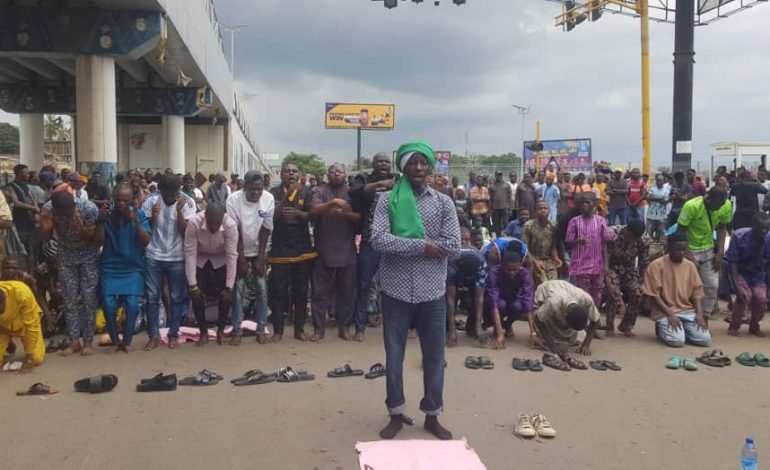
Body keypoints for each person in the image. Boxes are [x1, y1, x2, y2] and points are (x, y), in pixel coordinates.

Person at [370, 141, 460, 441]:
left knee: (434, 356)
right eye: (413, 163)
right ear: (403, 167)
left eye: (424, 162)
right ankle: (395, 412)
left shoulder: (444, 203)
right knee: (393, 355)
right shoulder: (386, 201)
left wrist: (413, 246)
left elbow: (452, 246)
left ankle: (432, 415)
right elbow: (379, 240)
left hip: (432, 291)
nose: (419, 168)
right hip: (394, 289)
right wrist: (423, 245)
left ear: (431, 166)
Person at [93, 183, 151, 353]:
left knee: (132, 305)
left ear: (132, 200)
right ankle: (113, 341)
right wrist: (101, 222)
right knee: (108, 305)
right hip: (110, 267)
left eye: (125, 200)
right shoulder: (106, 214)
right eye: (117, 200)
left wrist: (136, 221)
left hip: (132, 267)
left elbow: (146, 241)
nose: (121, 204)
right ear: (113, 199)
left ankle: (126, 342)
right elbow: (99, 242)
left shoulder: (138, 214)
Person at [40, 190, 99, 356]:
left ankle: (88, 341)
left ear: (74, 204)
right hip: (66, 254)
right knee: (69, 299)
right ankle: (74, 341)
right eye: (62, 213)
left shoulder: (88, 208)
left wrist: (80, 227)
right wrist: (46, 229)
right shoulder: (48, 209)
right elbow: (45, 237)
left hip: (88, 254)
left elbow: (92, 238)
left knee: (89, 299)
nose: (66, 215)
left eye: (69, 210)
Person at [141, 173, 196, 350]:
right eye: (166, 192)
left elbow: (187, 232)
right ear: (160, 190)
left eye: (174, 192)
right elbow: (145, 230)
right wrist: (154, 218)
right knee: (152, 298)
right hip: (153, 255)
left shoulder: (187, 202)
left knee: (177, 297)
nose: (170, 196)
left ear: (178, 189)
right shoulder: (151, 201)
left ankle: (173, 334)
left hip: (177, 257)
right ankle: (154, 336)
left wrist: (179, 213)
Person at [309, 163, 360, 341]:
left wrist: (345, 214)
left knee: (347, 292)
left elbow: (360, 216)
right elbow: (314, 210)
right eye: (333, 171)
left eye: (340, 171)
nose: (336, 174)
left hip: (347, 250)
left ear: (345, 174)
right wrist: (334, 203)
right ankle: (318, 329)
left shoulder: (352, 192)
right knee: (319, 293)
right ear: (327, 174)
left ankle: (344, 327)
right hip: (323, 250)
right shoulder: (319, 191)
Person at [268, 163, 317, 342]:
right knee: (278, 292)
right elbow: (271, 216)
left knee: (301, 292)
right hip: (280, 250)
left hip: (302, 250)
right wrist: (287, 195)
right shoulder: (272, 193)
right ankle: (278, 331)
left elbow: (312, 215)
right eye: (287, 171)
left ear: (299, 175)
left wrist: (300, 214)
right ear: (281, 174)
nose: (291, 174)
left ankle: (299, 330)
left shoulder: (307, 192)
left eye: (294, 171)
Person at [350, 152, 395, 338]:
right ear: (374, 163)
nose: (383, 164)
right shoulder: (364, 178)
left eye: (386, 161)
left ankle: (402, 326)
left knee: (395, 284)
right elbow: (353, 191)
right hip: (370, 239)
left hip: (394, 240)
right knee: (364, 283)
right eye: (380, 161)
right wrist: (380, 185)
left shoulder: (398, 179)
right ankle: (360, 328)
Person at [226, 170, 274, 344]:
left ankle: (261, 329)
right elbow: (234, 230)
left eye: (259, 189)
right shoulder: (233, 200)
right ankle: (237, 331)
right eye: (252, 189)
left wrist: (261, 258)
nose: (256, 193)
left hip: (259, 249)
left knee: (261, 288)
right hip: (238, 249)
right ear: (244, 186)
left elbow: (266, 228)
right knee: (238, 289)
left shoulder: (268, 199)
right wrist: (241, 259)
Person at [642, 232, 710, 347]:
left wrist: (699, 314)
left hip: (687, 311)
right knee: (677, 341)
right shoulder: (656, 265)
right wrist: (670, 314)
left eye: (684, 250)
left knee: (705, 340)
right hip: (664, 312)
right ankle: (666, 328)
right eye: (678, 250)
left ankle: (682, 330)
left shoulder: (690, 266)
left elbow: (697, 293)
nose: (681, 253)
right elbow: (654, 294)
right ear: (668, 248)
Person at [184, 202, 238, 345]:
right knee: (196, 295)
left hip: (221, 258)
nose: (214, 228)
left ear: (223, 218)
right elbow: (189, 253)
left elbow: (232, 255)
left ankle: (220, 330)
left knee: (226, 296)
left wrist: (229, 287)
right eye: (211, 224)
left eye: (217, 223)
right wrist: (193, 285)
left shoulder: (230, 225)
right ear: (205, 216)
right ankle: (203, 332)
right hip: (199, 257)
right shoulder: (194, 222)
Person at [677, 187, 732, 320]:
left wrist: (719, 253)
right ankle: (684, 315)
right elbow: (680, 233)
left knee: (712, 285)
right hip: (689, 248)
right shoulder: (691, 206)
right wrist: (690, 258)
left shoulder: (726, 205)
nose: (719, 208)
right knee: (686, 286)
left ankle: (705, 316)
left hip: (708, 249)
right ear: (708, 199)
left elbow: (722, 228)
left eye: (721, 205)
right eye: (716, 205)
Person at [723, 213, 770, 336]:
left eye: (767, 228)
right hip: (739, 272)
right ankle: (734, 326)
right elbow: (732, 263)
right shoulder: (739, 236)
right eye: (761, 228)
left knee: (761, 299)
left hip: (758, 274)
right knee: (744, 296)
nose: (764, 231)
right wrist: (736, 287)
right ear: (753, 225)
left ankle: (754, 326)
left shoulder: (769, 240)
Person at [565, 192, 613, 309]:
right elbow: (568, 242)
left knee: (597, 296)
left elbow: (604, 244)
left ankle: (593, 319)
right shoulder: (574, 221)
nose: (584, 205)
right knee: (584, 296)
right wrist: (577, 241)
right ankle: (584, 321)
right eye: (582, 203)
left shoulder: (601, 221)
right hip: (581, 265)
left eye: (587, 202)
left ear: (595, 204)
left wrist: (606, 265)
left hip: (597, 266)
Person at [604, 220, 651, 337]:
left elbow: (643, 263)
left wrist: (642, 283)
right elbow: (604, 258)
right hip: (611, 267)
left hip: (629, 267)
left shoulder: (644, 240)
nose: (633, 241)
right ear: (626, 231)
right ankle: (609, 325)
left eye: (636, 239)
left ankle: (626, 326)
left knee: (638, 294)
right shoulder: (611, 234)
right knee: (614, 293)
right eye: (631, 237)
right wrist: (608, 280)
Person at [532, 280, 599, 361]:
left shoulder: (586, 300)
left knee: (576, 338)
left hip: (564, 291)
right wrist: (552, 346)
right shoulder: (553, 302)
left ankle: (566, 335)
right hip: (546, 290)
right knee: (545, 337)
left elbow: (596, 319)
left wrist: (586, 345)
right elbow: (537, 318)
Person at [482, 252, 535, 350]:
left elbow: (528, 301)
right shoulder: (494, 273)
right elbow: (494, 302)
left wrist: (533, 333)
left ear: (520, 266)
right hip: (498, 300)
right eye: (508, 270)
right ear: (502, 266)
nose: (512, 273)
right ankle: (498, 327)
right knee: (500, 305)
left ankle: (507, 325)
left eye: (515, 270)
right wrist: (499, 334)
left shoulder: (524, 274)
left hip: (513, 299)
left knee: (519, 306)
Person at [446, 226, 486, 347]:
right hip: (455, 279)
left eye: (466, 239)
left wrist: (479, 327)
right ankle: (449, 328)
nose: (463, 242)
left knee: (475, 301)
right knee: (443, 304)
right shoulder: (451, 262)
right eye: (461, 239)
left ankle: (472, 328)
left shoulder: (482, 264)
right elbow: (450, 299)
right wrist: (452, 331)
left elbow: (480, 297)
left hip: (472, 281)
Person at [0, 280, 45, 373]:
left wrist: (29, 357)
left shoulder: (22, 293)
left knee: (36, 359)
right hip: (2, 328)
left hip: (25, 325)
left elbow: (31, 326)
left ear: (5, 299)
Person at [522, 201, 562, 288]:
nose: (543, 210)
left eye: (545, 208)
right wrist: (534, 261)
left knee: (554, 286)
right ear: (535, 211)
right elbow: (524, 248)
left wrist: (556, 257)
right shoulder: (528, 226)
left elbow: (553, 246)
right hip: (533, 259)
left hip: (549, 260)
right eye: (540, 208)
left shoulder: (553, 225)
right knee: (542, 285)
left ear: (549, 211)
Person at [8, 164, 40, 264]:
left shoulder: (26, 186)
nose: (28, 175)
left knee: (32, 250)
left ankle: (32, 273)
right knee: (21, 250)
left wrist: (36, 210)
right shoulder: (11, 187)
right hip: (20, 223)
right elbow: (16, 203)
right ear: (18, 174)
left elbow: (32, 198)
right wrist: (33, 208)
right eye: (25, 173)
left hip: (30, 222)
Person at [644, 174, 669, 242]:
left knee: (662, 232)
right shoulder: (652, 189)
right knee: (649, 231)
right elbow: (648, 197)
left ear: (663, 181)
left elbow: (665, 201)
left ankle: (661, 246)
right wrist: (660, 198)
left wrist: (653, 198)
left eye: (660, 181)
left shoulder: (666, 191)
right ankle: (649, 245)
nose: (659, 182)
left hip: (662, 215)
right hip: (651, 214)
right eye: (658, 181)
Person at [488, 171, 512, 236]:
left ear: (502, 176)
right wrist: (489, 210)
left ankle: (506, 236)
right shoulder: (491, 186)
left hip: (504, 207)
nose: (499, 177)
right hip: (495, 208)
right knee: (496, 224)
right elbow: (490, 199)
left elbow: (509, 197)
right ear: (495, 176)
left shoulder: (506, 185)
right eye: (497, 175)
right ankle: (498, 236)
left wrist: (510, 208)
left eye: (500, 175)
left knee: (505, 223)